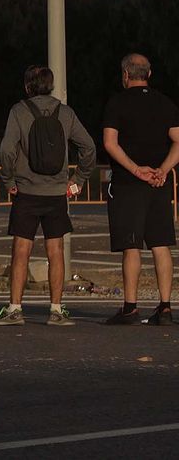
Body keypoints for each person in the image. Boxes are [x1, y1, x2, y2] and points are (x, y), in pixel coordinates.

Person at [0, 65, 97, 327]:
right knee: (55, 250)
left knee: (20, 251)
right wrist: (79, 179)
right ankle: (56, 310)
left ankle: (15, 309)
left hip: (26, 191)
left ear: (27, 87)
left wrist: (8, 179)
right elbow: (89, 146)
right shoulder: (66, 113)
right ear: (50, 85)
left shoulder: (19, 111)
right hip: (57, 192)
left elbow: (6, 149)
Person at [100, 54, 179, 325]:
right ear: (149, 73)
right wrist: (164, 169)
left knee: (131, 245)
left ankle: (130, 307)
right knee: (161, 244)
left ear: (125, 74)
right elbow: (178, 141)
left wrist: (135, 169)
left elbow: (110, 143)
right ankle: (166, 307)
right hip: (159, 183)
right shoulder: (165, 102)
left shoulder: (117, 103)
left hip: (128, 183)